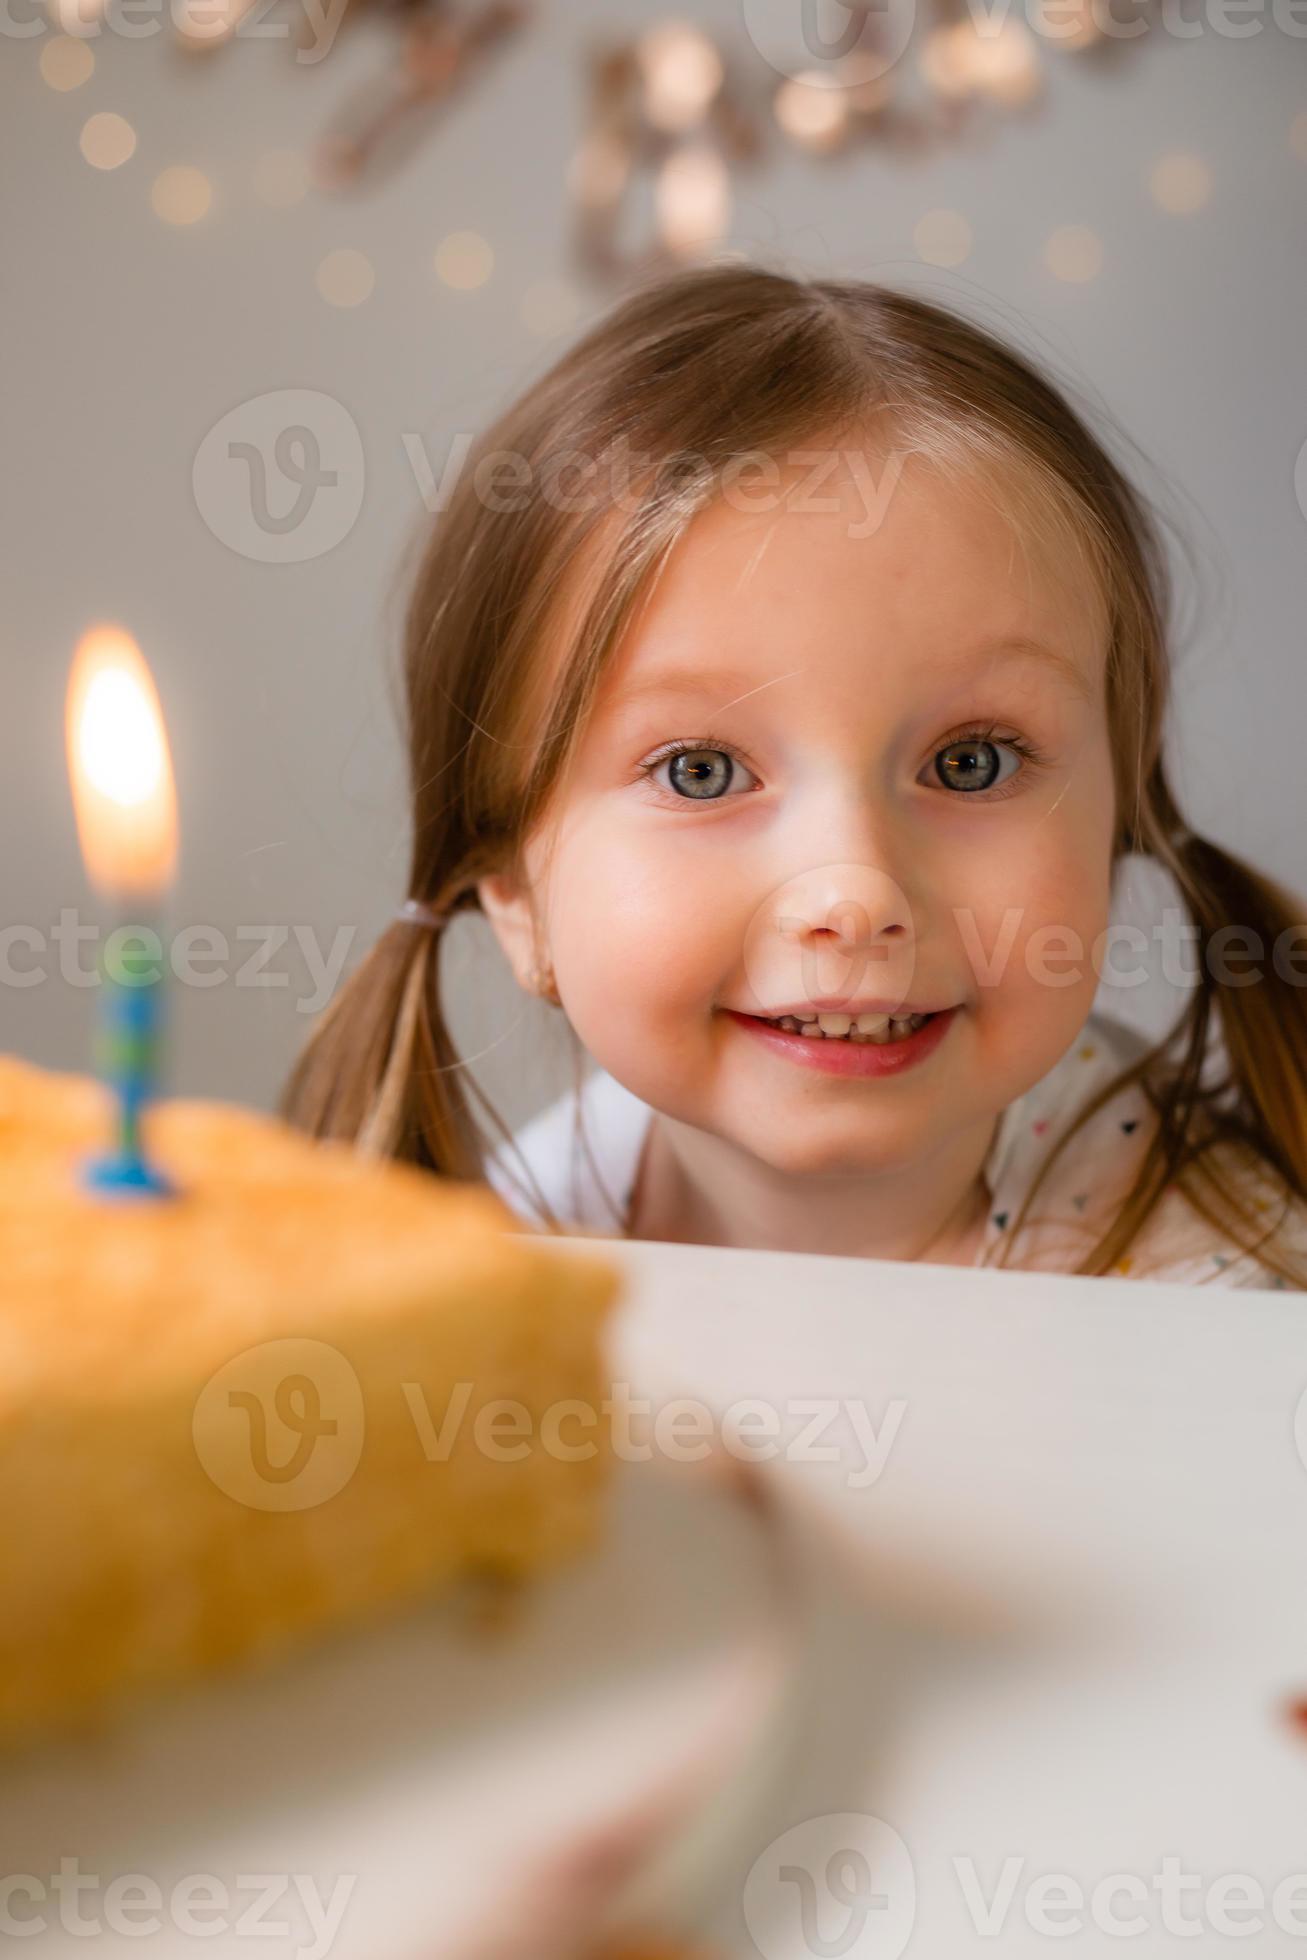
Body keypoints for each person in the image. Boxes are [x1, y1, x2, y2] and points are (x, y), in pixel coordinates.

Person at [279, 262, 1307, 1289]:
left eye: (969, 761)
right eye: (699, 771)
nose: (853, 896)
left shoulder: (1220, 1309)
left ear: (1117, 810)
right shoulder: (524, 1246)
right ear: (512, 891)